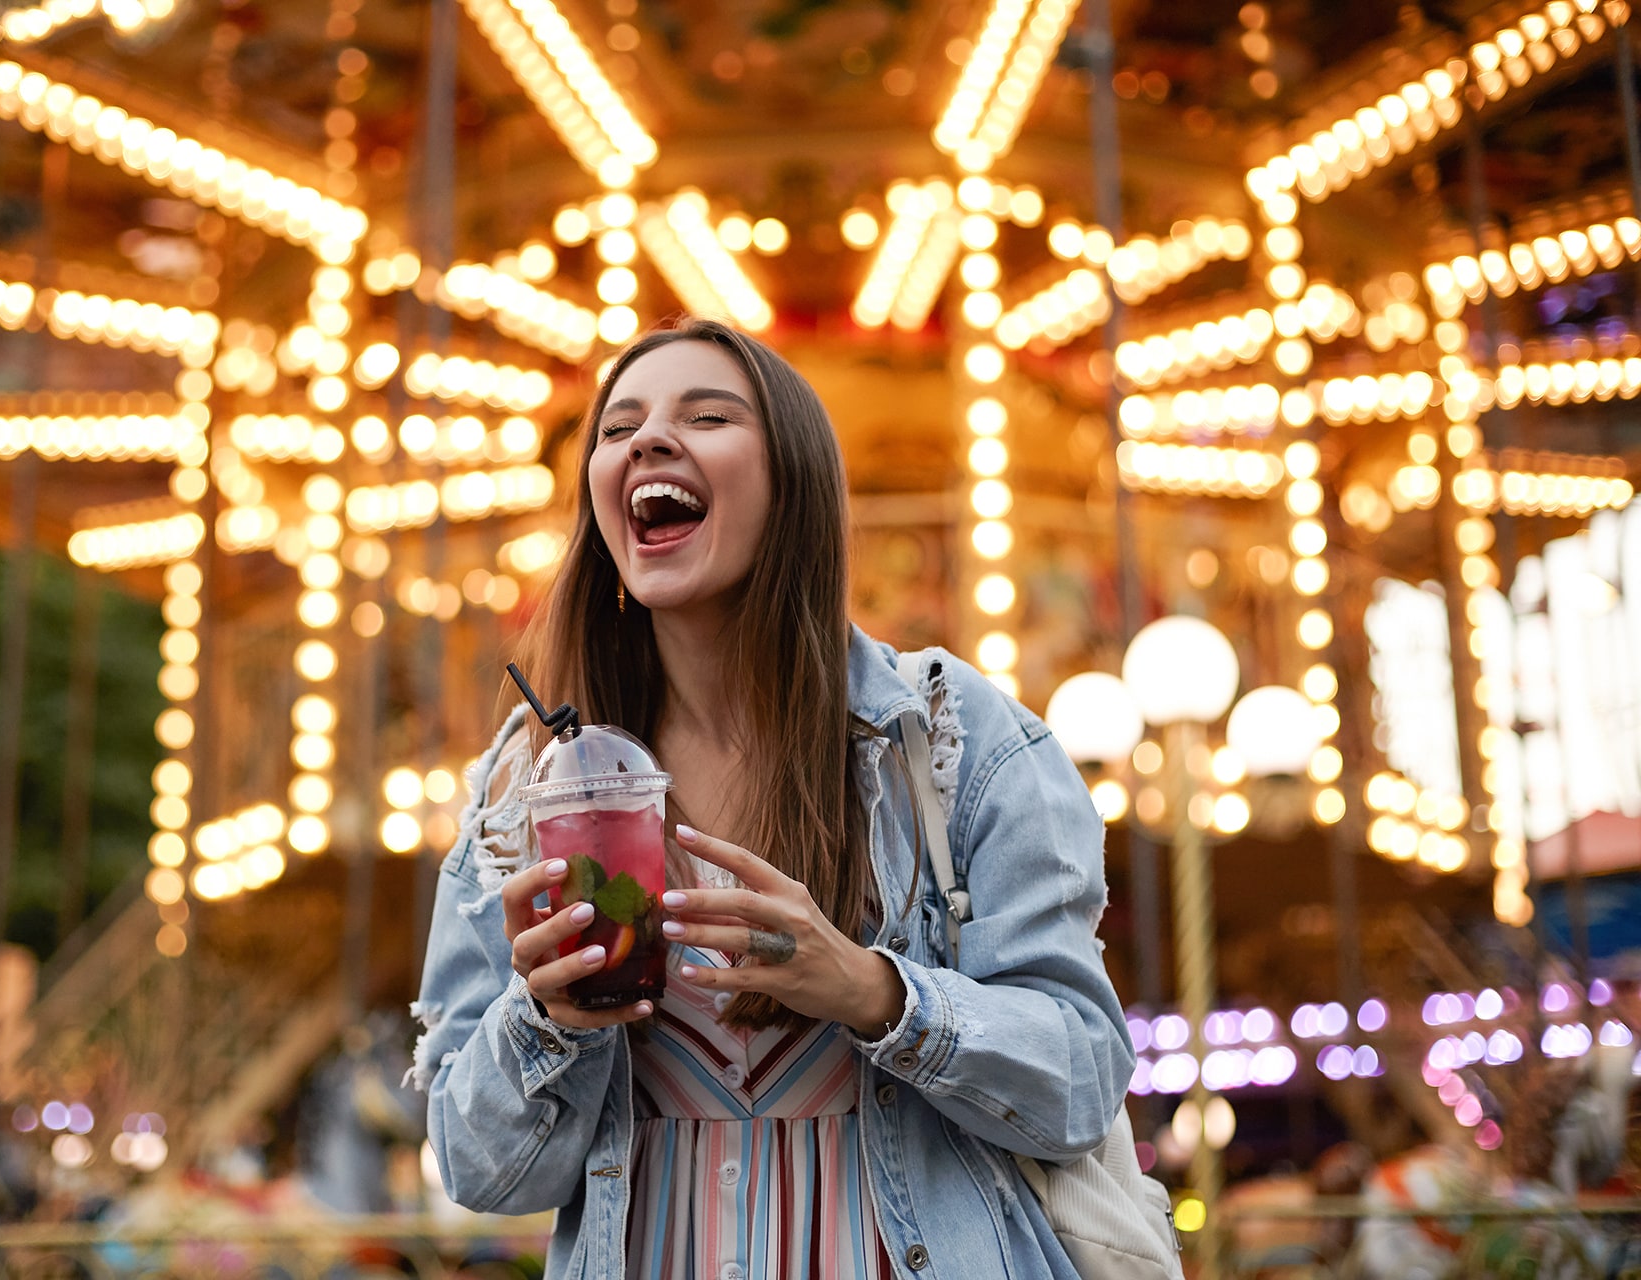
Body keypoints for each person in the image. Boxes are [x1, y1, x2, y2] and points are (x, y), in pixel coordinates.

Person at [408, 317, 1133, 1279]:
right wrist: (544, 1023)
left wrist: (874, 992)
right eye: (618, 429)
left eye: (707, 416)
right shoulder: (526, 785)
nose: (649, 441)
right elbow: (482, 1172)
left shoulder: (952, 738)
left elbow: (1081, 1080)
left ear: (791, 482)